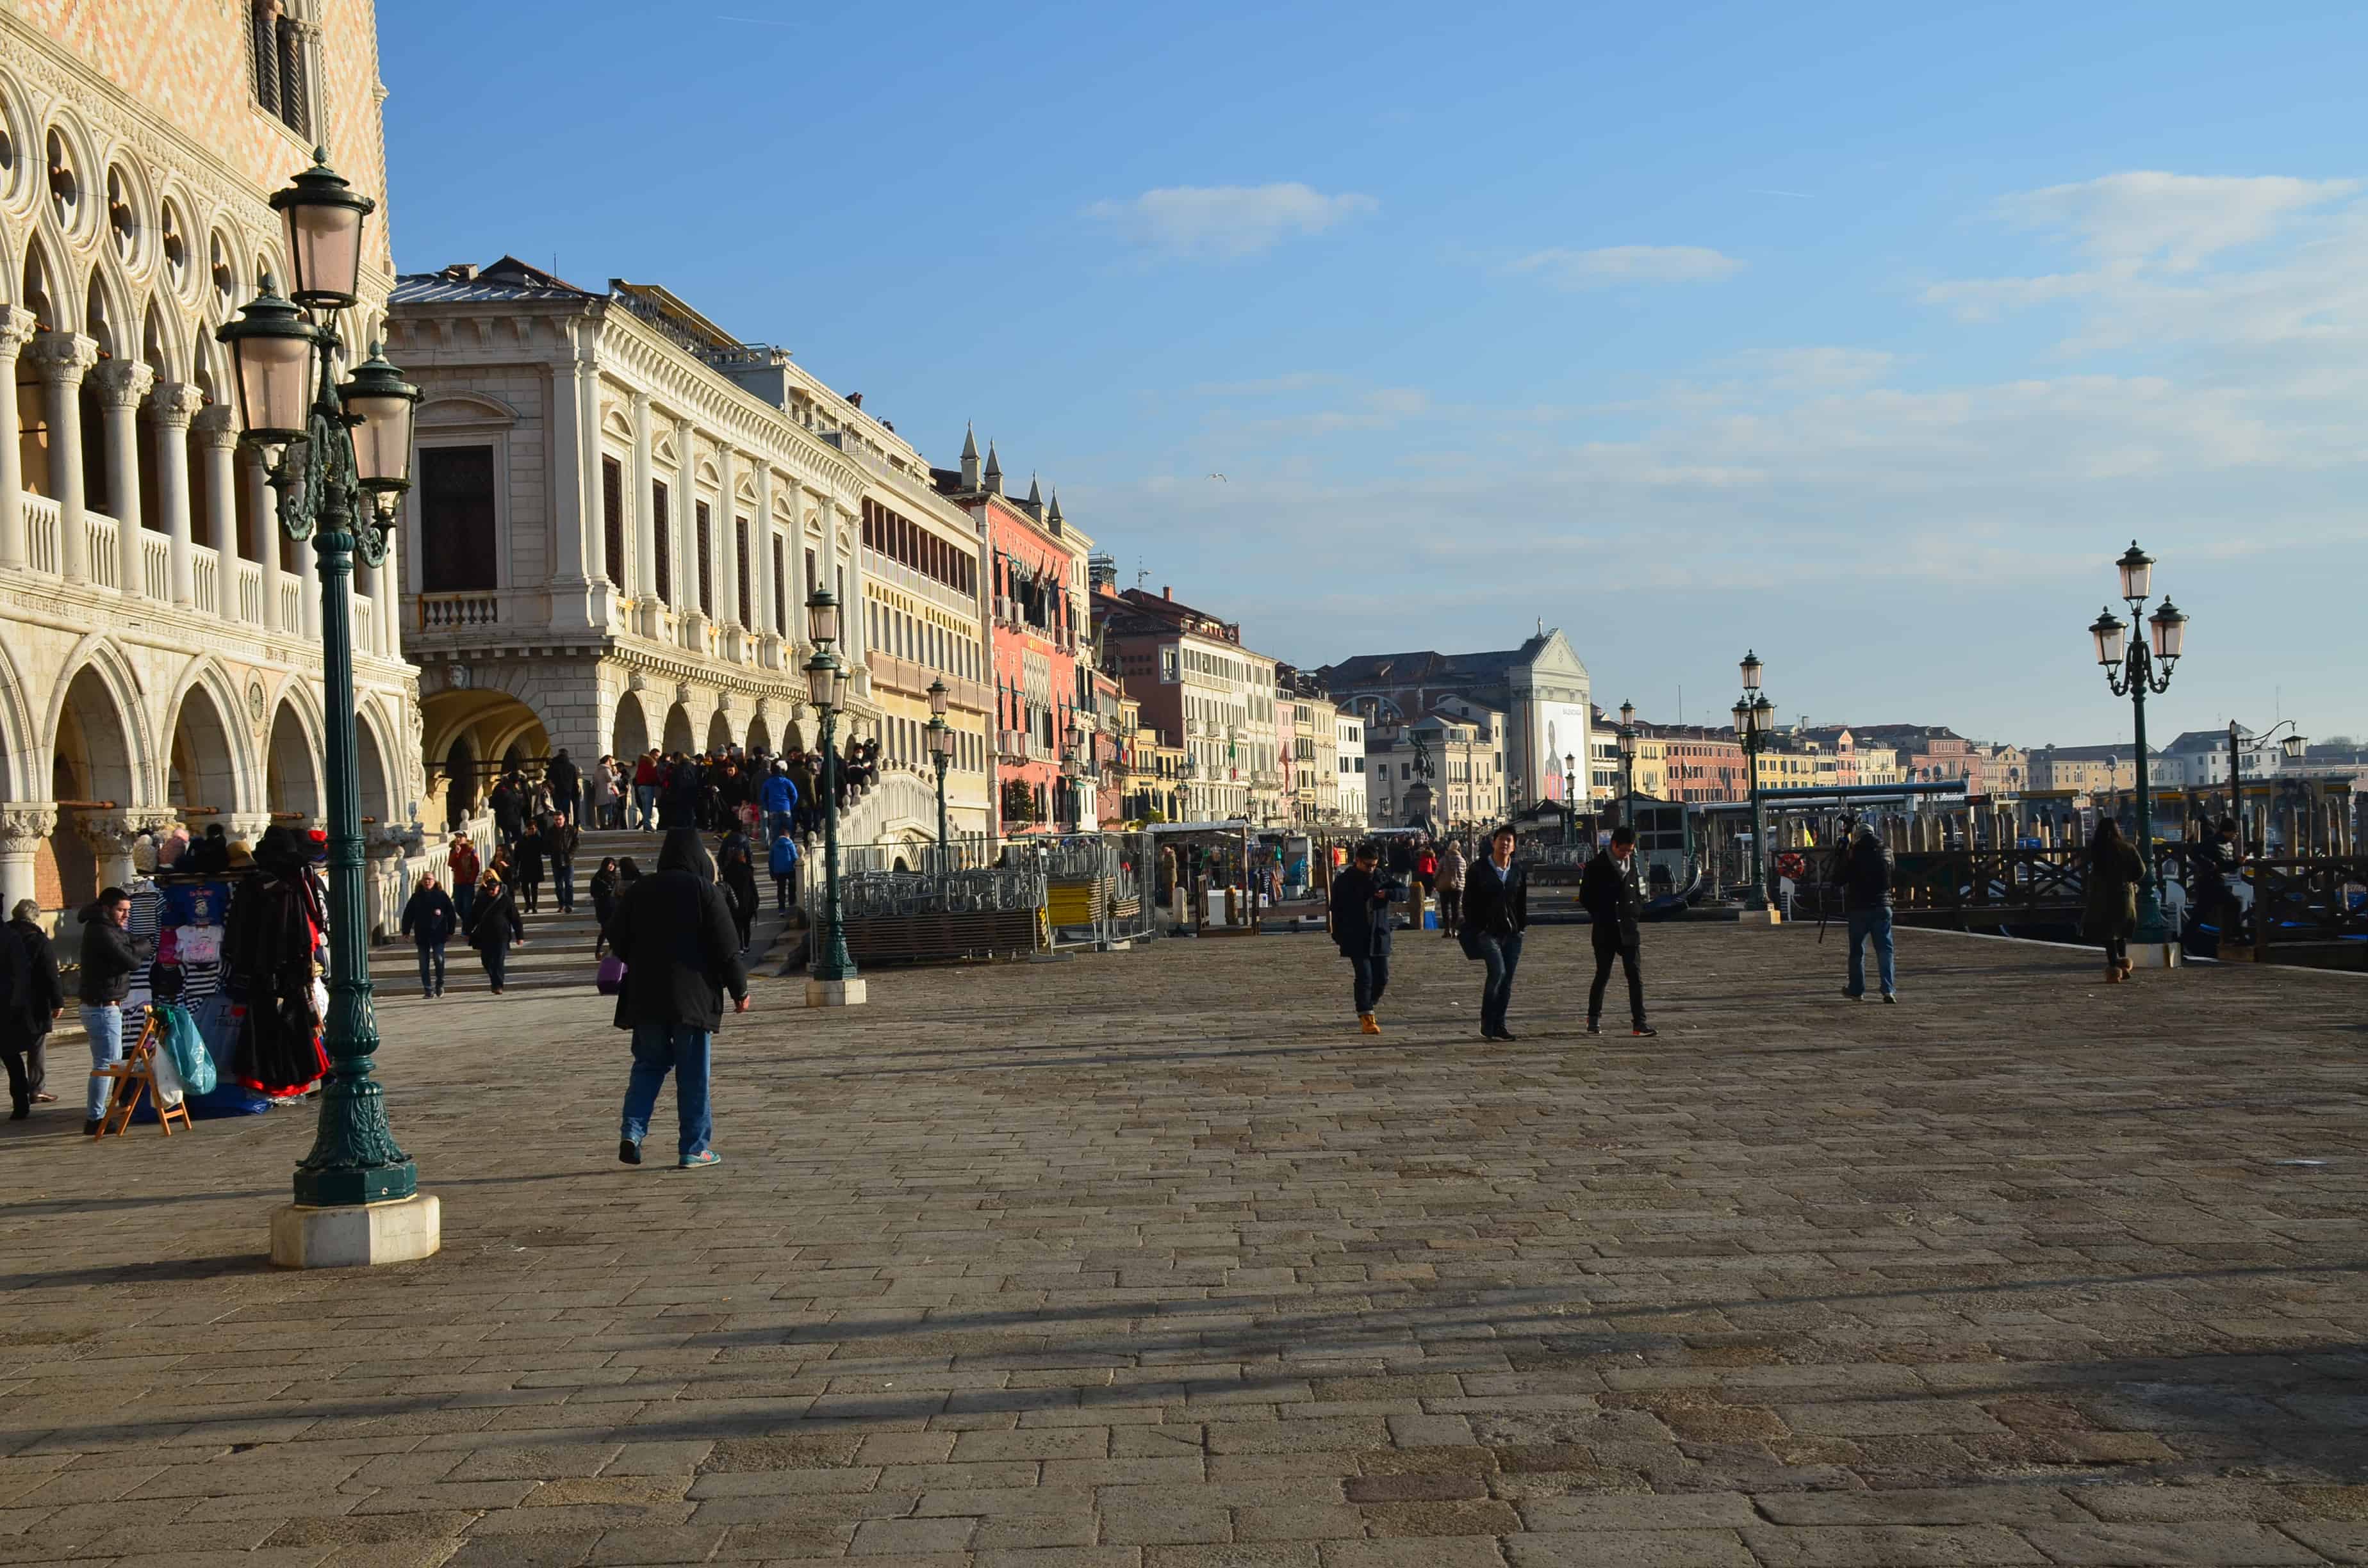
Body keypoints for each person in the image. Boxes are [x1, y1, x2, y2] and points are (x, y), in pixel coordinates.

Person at [607, 828, 748, 1170]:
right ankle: (694, 1147)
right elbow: (727, 948)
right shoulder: (705, 891)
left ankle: (633, 1132)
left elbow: (617, 941)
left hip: (646, 996)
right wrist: (739, 990)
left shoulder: (639, 891)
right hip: (693, 997)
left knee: (648, 1065)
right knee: (693, 1073)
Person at [75, 887, 140, 1135]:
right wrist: (137, 948)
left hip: (105, 1006)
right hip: (102, 1007)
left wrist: (136, 946)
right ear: (107, 909)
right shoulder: (100, 931)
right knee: (106, 1064)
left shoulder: (106, 929)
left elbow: (134, 945)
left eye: (128, 911)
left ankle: (98, 1114)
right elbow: (132, 960)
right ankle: (96, 1117)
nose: (125, 916)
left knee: (107, 1063)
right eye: (121, 910)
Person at [1580, 824, 1653, 1038]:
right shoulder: (1595, 866)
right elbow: (1585, 898)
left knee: (1635, 976)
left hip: (1629, 929)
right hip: (1606, 929)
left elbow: (1638, 893)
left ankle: (1639, 1023)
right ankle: (1593, 1018)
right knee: (1603, 974)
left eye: (1630, 851)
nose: (1626, 855)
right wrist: (1601, 915)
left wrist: (1636, 911)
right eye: (1623, 851)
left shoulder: (1633, 866)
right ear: (1613, 845)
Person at [1462, 824, 1529, 1041]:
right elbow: (1468, 901)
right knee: (1498, 972)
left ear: (1514, 846)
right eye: (1502, 839)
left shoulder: (1517, 870)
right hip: (1487, 932)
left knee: (1507, 980)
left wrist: (1521, 927)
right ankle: (1487, 1020)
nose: (1505, 844)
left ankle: (1499, 1024)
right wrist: (1477, 928)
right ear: (1494, 842)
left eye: (1509, 841)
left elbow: (1521, 901)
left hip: (1512, 932)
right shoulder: (1478, 868)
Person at [2, 899, 63, 1119]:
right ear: (35, 916)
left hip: (9, 1003)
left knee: (10, 1051)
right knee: (36, 1043)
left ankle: (22, 1098)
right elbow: (50, 974)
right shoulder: (37, 939)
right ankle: (36, 1088)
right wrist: (58, 1002)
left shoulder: (7, 933)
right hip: (34, 1002)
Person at [1328, 841, 1395, 1035]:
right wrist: (1339, 935)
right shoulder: (1344, 881)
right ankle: (1366, 1017)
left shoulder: (1381, 876)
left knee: (1382, 978)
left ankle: (1368, 1003)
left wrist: (1388, 893)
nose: (1371, 869)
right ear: (1357, 861)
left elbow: (1403, 891)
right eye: (1368, 865)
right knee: (1365, 976)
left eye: (1374, 865)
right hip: (1355, 936)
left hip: (1379, 935)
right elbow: (1336, 910)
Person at [1834, 822, 1898, 1003]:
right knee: (1885, 950)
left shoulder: (1853, 853)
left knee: (1857, 951)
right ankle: (1888, 989)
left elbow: (1839, 879)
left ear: (1858, 836)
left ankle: (1857, 990)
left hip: (1859, 907)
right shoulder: (1886, 850)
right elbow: (1893, 873)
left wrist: (1842, 855)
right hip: (1882, 906)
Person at [2084, 817, 2145, 982]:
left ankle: (2113, 969)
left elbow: (2093, 872)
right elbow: (2141, 870)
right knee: (2122, 931)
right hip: (2124, 893)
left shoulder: (2097, 849)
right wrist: (2129, 880)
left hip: (2103, 895)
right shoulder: (2128, 848)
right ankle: (2124, 965)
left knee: (2108, 933)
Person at [399, 871, 459, 999]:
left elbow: (451, 913)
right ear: (422, 881)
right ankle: (428, 989)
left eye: (430, 879)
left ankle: (440, 983)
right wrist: (406, 931)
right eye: (425, 879)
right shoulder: (416, 897)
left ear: (435, 881)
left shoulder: (442, 895)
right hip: (422, 935)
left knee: (439, 959)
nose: (428, 882)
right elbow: (408, 915)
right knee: (423, 964)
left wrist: (451, 931)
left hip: (438, 934)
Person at [2188, 817, 2244, 949]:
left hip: (2217, 883)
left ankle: (2183, 940)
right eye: (2234, 833)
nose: (2236, 835)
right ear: (2227, 832)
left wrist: (2237, 863)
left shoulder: (2229, 845)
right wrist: (2208, 864)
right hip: (2209, 883)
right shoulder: (2211, 841)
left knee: (2199, 915)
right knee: (2234, 904)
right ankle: (2236, 936)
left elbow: (2225, 866)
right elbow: (2193, 852)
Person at [466, 871, 523, 993]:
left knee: (499, 960)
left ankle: (498, 986)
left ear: (498, 888)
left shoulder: (505, 900)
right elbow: (473, 917)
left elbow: (515, 918)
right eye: (489, 889)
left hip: (501, 935)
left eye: (494, 889)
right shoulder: (481, 899)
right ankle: (494, 980)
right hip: (485, 935)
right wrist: (467, 931)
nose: (491, 891)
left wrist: (520, 936)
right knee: (486, 961)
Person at [718, 831, 759, 952]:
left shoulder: (727, 871)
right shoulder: (747, 870)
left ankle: (740, 947)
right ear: (742, 856)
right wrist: (756, 901)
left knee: (737, 927)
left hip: (734, 903)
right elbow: (753, 888)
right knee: (747, 926)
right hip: (747, 903)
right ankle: (746, 946)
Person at [513, 817, 547, 915]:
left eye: (533, 829)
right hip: (524, 865)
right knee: (524, 886)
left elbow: (543, 849)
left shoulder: (538, 838)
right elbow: (517, 854)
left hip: (536, 865)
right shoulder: (522, 839)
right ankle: (528, 904)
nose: (531, 831)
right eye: (529, 829)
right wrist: (515, 867)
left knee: (534, 886)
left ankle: (534, 906)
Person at [547, 813, 579, 915]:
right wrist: (549, 851)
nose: (558, 822)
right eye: (556, 820)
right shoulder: (550, 831)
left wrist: (570, 854)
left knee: (569, 884)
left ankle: (569, 905)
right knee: (559, 885)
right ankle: (561, 904)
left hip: (568, 860)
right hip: (556, 861)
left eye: (560, 819)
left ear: (564, 819)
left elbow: (577, 843)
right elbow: (546, 844)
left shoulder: (571, 829)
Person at [1436, 838, 1467, 940]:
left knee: (1445, 908)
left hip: (1445, 886)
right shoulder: (1462, 860)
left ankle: (1447, 930)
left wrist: (1435, 880)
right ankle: (1454, 930)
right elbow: (1463, 874)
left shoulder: (1444, 859)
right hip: (1458, 887)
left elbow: (1437, 872)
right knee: (1455, 908)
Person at [590, 857, 621, 958]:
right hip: (603, 907)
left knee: (609, 931)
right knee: (605, 930)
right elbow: (593, 893)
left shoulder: (615, 877)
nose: (611, 866)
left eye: (613, 864)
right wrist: (604, 892)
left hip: (614, 907)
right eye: (609, 864)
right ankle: (601, 951)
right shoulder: (598, 878)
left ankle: (606, 951)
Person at [760, 763, 798, 844]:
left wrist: (768, 807)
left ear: (772, 772)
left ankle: (775, 853)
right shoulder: (787, 782)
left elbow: (763, 797)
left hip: (773, 810)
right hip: (786, 809)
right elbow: (795, 795)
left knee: (775, 835)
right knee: (788, 834)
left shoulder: (768, 782)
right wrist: (790, 805)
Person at [448, 834, 481, 927]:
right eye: (457, 837)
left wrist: (472, 880)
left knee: (467, 907)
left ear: (465, 839)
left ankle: (467, 928)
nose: (458, 839)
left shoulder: (470, 850)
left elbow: (476, 866)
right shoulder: (453, 850)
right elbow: (451, 864)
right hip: (458, 883)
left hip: (468, 884)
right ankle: (469, 923)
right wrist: (456, 853)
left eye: (460, 837)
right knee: (458, 907)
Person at [546, 747, 582, 826]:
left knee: (558, 810)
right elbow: (575, 782)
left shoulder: (553, 765)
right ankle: (566, 825)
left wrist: (552, 788)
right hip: (568, 792)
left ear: (559, 754)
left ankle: (559, 826)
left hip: (557, 792)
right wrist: (575, 793)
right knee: (566, 811)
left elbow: (548, 779)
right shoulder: (571, 766)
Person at [768, 830, 800, 914]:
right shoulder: (790, 844)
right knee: (792, 884)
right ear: (788, 836)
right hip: (790, 869)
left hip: (778, 871)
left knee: (781, 890)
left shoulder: (774, 846)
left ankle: (781, 909)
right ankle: (792, 901)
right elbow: (794, 857)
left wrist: (772, 873)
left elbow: (771, 861)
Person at [633, 750, 661, 831]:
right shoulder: (651, 763)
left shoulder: (641, 763)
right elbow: (653, 776)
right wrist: (658, 782)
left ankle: (646, 824)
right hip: (648, 786)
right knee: (648, 807)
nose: (658, 758)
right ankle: (647, 825)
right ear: (652, 755)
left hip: (640, 787)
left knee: (645, 807)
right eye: (657, 755)